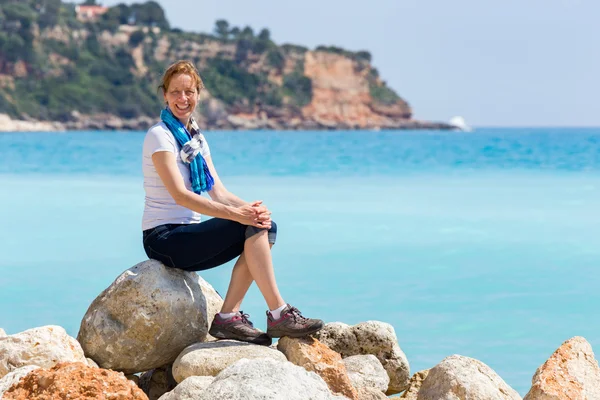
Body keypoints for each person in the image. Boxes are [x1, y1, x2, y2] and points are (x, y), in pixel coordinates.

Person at [141, 60, 324, 346]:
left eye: (189, 91)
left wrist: (251, 210)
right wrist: (238, 216)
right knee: (246, 226)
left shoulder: (196, 139)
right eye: (175, 92)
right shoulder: (159, 136)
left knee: (265, 225)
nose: (182, 99)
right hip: (162, 238)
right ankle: (278, 312)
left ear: (198, 94)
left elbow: (219, 192)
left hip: (188, 235)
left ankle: (228, 317)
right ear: (164, 94)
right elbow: (180, 195)